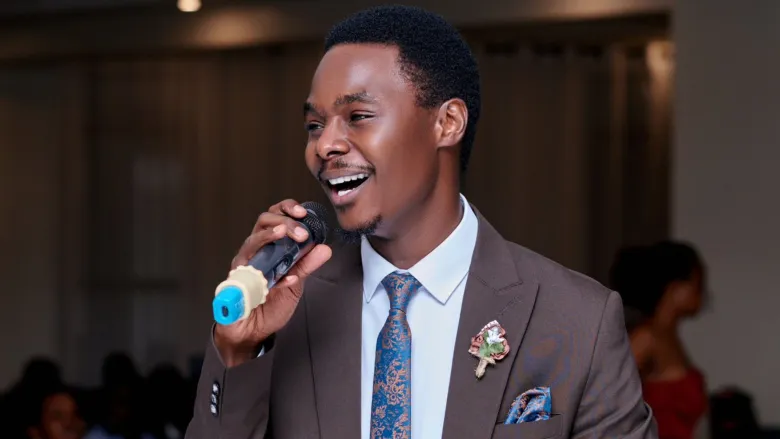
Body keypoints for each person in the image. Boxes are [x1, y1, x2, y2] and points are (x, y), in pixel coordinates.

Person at [185, 5, 656, 439]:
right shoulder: (289, 312)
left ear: (447, 123)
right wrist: (239, 352)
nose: (324, 146)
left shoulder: (579, 320)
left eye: (358, 116)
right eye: (315, 125)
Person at [610, 241, 708, 439]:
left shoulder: (669, 337)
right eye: (697, 284)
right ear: (675, 288)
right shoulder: (646, 338)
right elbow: (605, 391)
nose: (703, 294)